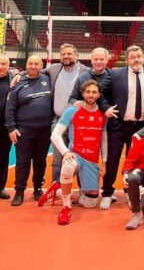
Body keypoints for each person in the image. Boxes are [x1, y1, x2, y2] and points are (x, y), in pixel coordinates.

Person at [39, 80, 107, 225]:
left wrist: (104, 162)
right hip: (76, 154)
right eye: (88, 92)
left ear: (98, 95)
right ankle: (66, 207)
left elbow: (104, 141)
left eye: (94, 92)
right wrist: (65, 152)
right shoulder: (72, 111)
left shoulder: (102, 114)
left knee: (91, 202)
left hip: (92, 159)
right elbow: (55, 135)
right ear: (82, 93)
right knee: (67, 168)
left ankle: (58, 191)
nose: (91, 95)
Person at [101, 45, 144, 209]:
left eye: (139, 56)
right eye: (132, 57)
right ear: (127, 59)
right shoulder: (115, 74)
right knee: (112, 159)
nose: (136, 60)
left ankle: (129, 192)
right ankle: (107, 192)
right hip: (118, 125)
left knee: (134, 161)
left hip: (140, 127)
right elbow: (100, 92)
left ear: (143, 58)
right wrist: (106, 108)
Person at [5, 55, 52, 206]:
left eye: (36, 64)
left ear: (41, 66)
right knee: (22, 161)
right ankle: (19, 191)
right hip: (24, 129)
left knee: (40, 161)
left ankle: (38, 188)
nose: (33, 66)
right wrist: (11, 128)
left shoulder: (48, 79)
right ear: (26, 65)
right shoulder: (18, 82)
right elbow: (10, 108)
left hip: (44, 129)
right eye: (30, 63)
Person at [44, 43, 88, 184]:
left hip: (79, 122)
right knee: (57, 160)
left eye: (69, 54)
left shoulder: (87, 72)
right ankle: (56, 189)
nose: (66, 56)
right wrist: (17, 74)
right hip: (58, 121)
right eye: (63, 54)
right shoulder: (54, 69)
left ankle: (83, 189)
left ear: (76, 55)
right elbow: (34, 70)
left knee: (80, 158)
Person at [69, 47, 116, 119]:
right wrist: (75, 102)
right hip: (87, 118)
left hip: (108, 119)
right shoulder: (82, 78)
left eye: (102, 59)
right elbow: (72, 98)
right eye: (96, 59)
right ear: (91, 60)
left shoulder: (114, 77)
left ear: (107, 60)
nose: (98, 62)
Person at [0, 54, 13, 199]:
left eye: (4, 64)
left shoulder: (14, 79)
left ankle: (0, 188)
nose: (1, 67)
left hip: (5, 127)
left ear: (8, 66)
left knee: (3, 157)